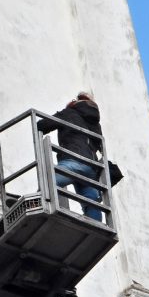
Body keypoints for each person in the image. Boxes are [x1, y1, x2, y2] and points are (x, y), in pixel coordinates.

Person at [37, 92, 104, 221]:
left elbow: (43, 125)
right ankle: (95, 223)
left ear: (77, 101)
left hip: (72, 159)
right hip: (91, 167)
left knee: (49, 181)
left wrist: (65, 110)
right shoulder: (96, 123)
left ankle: (37, 205)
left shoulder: (69, 112)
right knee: (91, 202)